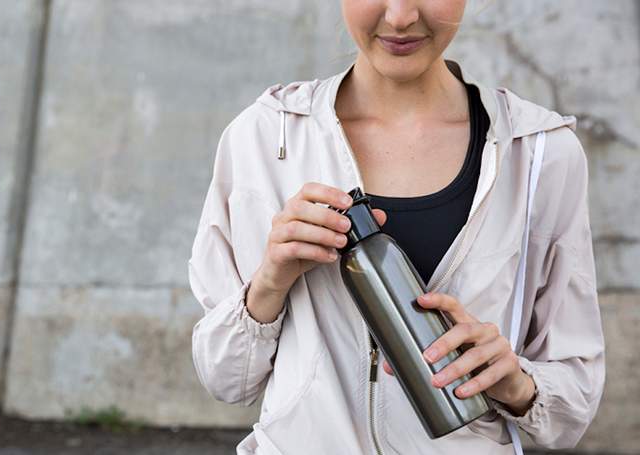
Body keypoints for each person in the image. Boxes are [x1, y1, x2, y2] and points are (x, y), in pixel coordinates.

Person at [188, 1, 606, 453]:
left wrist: (515, 382)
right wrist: (269, 283)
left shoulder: (540, 154)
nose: (401, 16)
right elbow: (225, 379)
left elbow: (572, 407)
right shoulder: (267, 139)